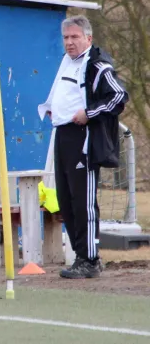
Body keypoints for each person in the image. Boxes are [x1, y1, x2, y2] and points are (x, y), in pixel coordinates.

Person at [38, 15, 128, 279]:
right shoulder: (67, 61)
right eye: (66, 37)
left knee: (83, 201)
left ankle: (90, 258)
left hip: (84, 138)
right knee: (65, 201)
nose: (69, 42)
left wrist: (90, 112)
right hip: (62, 134)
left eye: (75, 37)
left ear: (88, 38)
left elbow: (119, 96)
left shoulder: (97, 65)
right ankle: (80, 256)